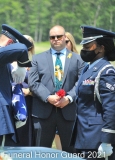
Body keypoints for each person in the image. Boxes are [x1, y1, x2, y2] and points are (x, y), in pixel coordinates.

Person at [28, 25, 85, 153]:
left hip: (68, 112)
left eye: (59, 36)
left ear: (65, 38)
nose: (55, 39)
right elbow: (33, 82)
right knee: (41, 153)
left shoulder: (78, 59)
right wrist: (48, 97)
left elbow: (81, 83)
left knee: (71, 153)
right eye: (52, 37)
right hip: (43, 113)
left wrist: (69, 98)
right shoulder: (38, 58)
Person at [70, 25, 115, 160]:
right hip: (84, 137)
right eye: (84, 47)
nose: (84, 50)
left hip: (98, 140)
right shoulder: (88, 69)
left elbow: (111, 109)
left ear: (101, 48)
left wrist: (107, 141)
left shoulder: (106, 72)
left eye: (88, 47)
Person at [11, 35, 35, 146]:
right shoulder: (9, 61)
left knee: (26, 135)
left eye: (28, 46)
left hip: (27, 103)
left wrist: (29, 91)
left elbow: (40, 84)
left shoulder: (34, 63)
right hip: (12, 102)